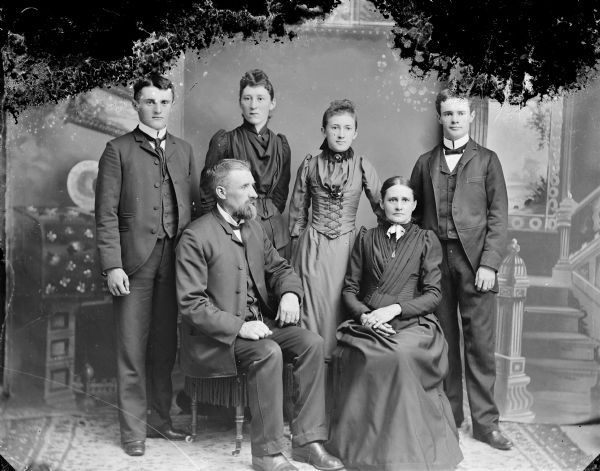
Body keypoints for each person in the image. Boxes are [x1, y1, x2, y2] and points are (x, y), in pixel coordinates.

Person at [176, 159, 344, 471]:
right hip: (217, 339)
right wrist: (240, 327)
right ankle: (267, 455)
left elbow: (279, 268)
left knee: (311, 343)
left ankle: (307, 443)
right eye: (246, 187)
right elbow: (191, 305)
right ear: (223, 192)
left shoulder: (253, 227)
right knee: (268, 352)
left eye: (254, 185)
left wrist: (291, 293)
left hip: (258, 325)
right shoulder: (195, 237)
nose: (255, 194)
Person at [327, 176, 463, 471]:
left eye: (404, 200)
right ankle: (366, 450)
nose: (398, 205)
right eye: (392, 200)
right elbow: (350, 289)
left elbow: (433, 295)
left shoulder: (426, 240)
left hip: (413, 322)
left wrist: (395, 310)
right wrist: (366, 317)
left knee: (399, 355)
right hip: (370, 321)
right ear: (382, 204)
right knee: (369, 355)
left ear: (414, 205)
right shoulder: (366, 238)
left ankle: (404, 455)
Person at [95, 74, 199, 457]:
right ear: (136, 104)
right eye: (150, 101)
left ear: (171, 104)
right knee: (132, 349)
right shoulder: (117, 150)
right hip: (133, 264)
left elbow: (192, 207)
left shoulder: (184, 150)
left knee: (164, 347)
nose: (157, 109)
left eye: (164, 102)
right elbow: (104, 215)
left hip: (175, 263)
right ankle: (133, 431)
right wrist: (112, 266)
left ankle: (160, 420)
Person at [409, 88, 512, 450]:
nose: (454, 119)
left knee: (480, 345)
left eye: (460, 113)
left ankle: (486, 424)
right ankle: (450, 417)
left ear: (470, 117)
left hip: (475, 264)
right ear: (439, 117)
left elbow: (499, 217)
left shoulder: (487, 161)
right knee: (444, 342)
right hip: (435, 264)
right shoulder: (424, 162)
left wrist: (489, 264)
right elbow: (412, 214)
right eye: (448, 113)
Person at [288, 99, 381, 358]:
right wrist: (296, 254)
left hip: (348, 251)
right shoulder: (309, 165)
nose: (340, 134)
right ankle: (310, 373)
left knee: (343, 306)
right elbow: (297, 215)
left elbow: (383, 210)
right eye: (334, 127)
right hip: (312, 250)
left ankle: (339, 381)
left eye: (347, 128)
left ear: (355, 132)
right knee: (311, 312)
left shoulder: (363, 165)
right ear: (323, 130)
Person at [199, 69, 291, 256]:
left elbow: (280, 196)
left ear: (272, 103)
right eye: (247, 98)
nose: (253, 105)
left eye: (260, 98)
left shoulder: (281, 145)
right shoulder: (224, 141)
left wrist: (266, 216)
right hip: (235, 229)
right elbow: (208, 193)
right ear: (240, 103)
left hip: (275, 234)